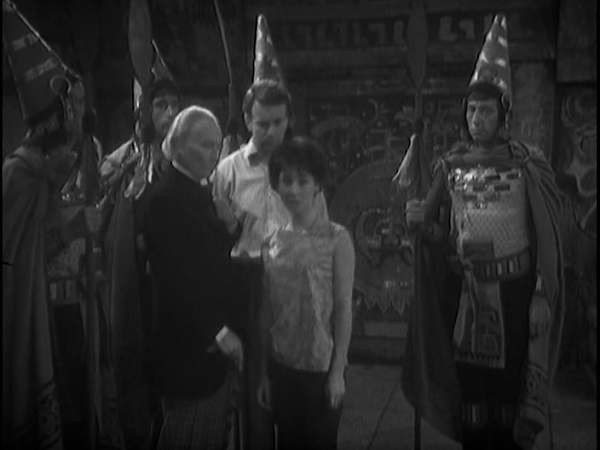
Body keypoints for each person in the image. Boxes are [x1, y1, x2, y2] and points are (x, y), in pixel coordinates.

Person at [399, 14, 564, 450]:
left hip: (515, 291)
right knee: (470, 388)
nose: (477, 117)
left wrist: (542, 295)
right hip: (465, 292)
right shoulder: (450, 165)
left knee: (508, 387)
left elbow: (546, 236)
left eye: (486, 110)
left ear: (503, 115)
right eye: (471, 110)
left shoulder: (526, 164)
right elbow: (439, 233)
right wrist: (419, 222)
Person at [2, 87, 101, 449]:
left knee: (81, 410)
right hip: (34, 312)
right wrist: (70, 231)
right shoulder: (19, 175)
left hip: (74, 307)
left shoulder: (80, 160)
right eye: (76, 103)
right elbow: (15, 259)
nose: (84, 111)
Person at [142, 106, 244, 450]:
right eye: (205, 145)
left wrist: (230, 227)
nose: (214, 154)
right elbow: (178, 278)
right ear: (178, 144)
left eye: (217, 146)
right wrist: (218, 330)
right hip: (188, 347)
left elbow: (210, 255)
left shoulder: (201, 192)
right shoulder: (164, 199)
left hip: (209, 347)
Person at [212, 78, 296, 449]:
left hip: (289, 282)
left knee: (289, 377)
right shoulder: (228, 170)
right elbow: (215, 235)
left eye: (279, 122)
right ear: (247, 120)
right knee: (250, 386)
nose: (271, 132)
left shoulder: (299, 167)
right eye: (263, 123)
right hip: (243, 282)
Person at [256, 136, 355, 450]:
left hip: (320, 368)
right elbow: (267, 311)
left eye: (303, 181)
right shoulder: (271, 243)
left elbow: (343, 307)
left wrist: (338, 371)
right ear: (276, 185)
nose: (294, 190)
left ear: (317, 185)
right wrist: (263, 373)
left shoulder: (336, 239)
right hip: (281, 365)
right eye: (286, 181)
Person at [99, 77, 182, 447]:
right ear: (145, 113)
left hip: (170, 276)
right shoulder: (125, 159)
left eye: (174, 105)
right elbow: (102, 185)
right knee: (136, 357)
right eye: (161, 105)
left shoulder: (183, 157)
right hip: (134, 274)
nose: (170, 112)